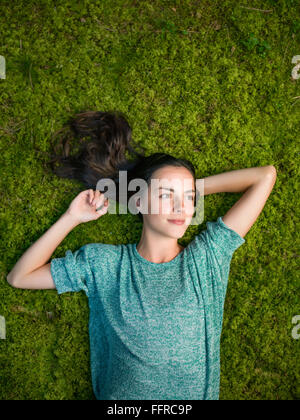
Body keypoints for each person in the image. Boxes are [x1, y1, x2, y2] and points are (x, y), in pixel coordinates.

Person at [7, 111, 277, 400]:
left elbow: (265, 176)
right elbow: (20, 276)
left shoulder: (207, 259)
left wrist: (188, 189)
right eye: (165, 196)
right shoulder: (106, 264)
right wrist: (72, 217)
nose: (181, 208)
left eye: (188, 199)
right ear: (138, 202)